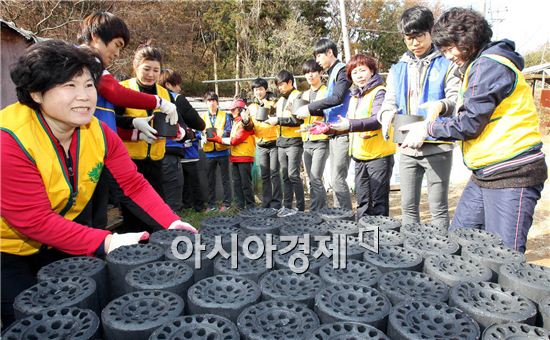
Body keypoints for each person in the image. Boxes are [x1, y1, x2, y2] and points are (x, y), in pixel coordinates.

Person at [0, 40, 196, 329]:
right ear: (36, 93)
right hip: (7, 250)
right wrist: (106, 240)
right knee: (33, 322)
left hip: (62, 239)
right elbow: (33, 219)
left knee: (75, 318)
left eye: (88, 85)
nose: (84, 97)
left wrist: (171, 222)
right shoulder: (10, 139)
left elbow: (133, 184)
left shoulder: (98, 132)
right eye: (69, 86)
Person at [400, 8, 547, 252]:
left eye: (449, 49)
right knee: (460, 241)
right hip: (484, 174)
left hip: (512, 173)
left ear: (467, 39)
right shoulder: (477, 65)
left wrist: (428, 128)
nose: (448, 56)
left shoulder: (490, 65)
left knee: (503, 257)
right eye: (444, 50)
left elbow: (469, 123)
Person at [377, 6, 460, 230]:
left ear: (431, 32)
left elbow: (455, 99)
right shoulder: (397, 69)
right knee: (408, 206)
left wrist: (440, 106)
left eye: (419, 36)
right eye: (409, 38)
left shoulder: (447, 63)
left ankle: (440, 257)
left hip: (437, 145)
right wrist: (385, 115)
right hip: (406, 146)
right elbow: (389, 102)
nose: (415, 43)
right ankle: (411, 254)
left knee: (438, 207)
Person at [314, 54, 396, 219]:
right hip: (360, 155)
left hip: (378, 155)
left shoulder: (380, 92)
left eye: (362, 70)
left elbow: (376, 120)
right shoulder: (354, 96)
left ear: (371, 71)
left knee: (378, 202)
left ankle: (379, 239)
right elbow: (349, 124)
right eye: (354, 72)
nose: (359, 75)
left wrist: (349, 124)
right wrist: (329, 128)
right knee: (363, 200)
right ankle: (364, 237)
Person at [295, 39, 353, 210]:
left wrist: (310, 108)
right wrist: (311, 123)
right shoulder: (333, 72)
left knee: (337, 178)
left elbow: (337, 98)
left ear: (330, 52)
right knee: (335, 179)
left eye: (319, 55)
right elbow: (329, 109)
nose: (318, 60)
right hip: (333, 132)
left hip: (343, 131)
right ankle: (339, 215)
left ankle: (345, 217)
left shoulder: (342, 71)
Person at [158, 68, 205, 212]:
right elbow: (199, 123)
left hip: (151, 151)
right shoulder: (177, 99)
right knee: (174, 193)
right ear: (168, 85)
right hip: (171, 150)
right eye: (177, 84)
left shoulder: (148, 96)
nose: (180, 88)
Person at [266, 70, 304, 215]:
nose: (279, 88)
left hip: (294, 141)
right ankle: (287, 206)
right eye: (277, 85)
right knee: (285, 176)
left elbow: (297, 120)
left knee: (293, 174)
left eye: (281, 85)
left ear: (289, 82)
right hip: (281, 142)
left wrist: (278, 121)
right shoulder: (280, 100)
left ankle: (300, 208)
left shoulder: (298, 96)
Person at [208, 99, 256, 210]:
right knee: (237, 184)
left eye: (234, 109)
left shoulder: (246, 122)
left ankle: (251, 207)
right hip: (235, 158)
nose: (232, 111)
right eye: (231, 110)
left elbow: (235, 140)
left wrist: (218, 139)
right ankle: (240, 206)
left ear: (240, 110)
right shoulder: (236, 122)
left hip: (245, 157)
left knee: (246, 185)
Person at [300, 59, 329, 211]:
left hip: (321, 140)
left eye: (313, 72)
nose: (309, 75)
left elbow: (328, 112)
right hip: (306, 140)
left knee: (316, 178)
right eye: (306, 73)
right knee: (311, 180)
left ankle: (321, 211)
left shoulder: (327, 91)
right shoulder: (304, 94)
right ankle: (314, 210)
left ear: (321, 73)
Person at [248, 78, 282, 209]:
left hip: (274, 142)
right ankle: (266, 202)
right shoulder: (251, 107)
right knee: (264, 175)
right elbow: (249, 125)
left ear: (265, 89)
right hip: (260, 144)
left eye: (261, 89)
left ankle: (277, 203)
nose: (258, 92)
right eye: (256, 90)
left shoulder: (274, 102)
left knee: (275, 174)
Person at [201, 91, 233, 211]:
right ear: (206, 103)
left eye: (214, 100)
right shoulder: (203, 117)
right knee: (210, 179)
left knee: (225, 178)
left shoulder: (225, 115)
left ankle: (227, 203)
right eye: (209, 101)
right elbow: (199, 131)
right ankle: (211, 204)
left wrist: (221, 134)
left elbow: (229, 130)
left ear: (218, 102)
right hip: (209, 152)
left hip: (223, 151)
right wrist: (202, 136)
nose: (212, 103)